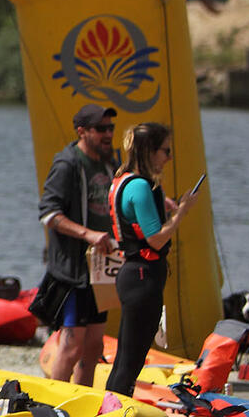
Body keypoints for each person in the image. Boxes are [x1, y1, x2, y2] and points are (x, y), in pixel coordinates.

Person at [103, 122, 203, 395]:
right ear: (149, 151)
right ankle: (115, 415)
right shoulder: (140, 186)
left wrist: (167, 205)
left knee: (127, 359)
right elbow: (156, 239)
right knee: (130, 362)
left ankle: (113, 407)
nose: (169, 157)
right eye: (165, 151)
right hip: (142, 278)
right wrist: (182, 211)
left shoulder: (125, 179)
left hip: (135, 276)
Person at [37, 103, 120, 387]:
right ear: (82, 131)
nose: (108, 134)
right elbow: (48, 214)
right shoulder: (67, 164)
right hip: (72, 270)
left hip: (100, 269)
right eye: (101, 129)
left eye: (111, 128)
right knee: (72, 345)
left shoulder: (109, 162)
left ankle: (83, 399)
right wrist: (88, 234)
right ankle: (55, 400)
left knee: (94, 346)